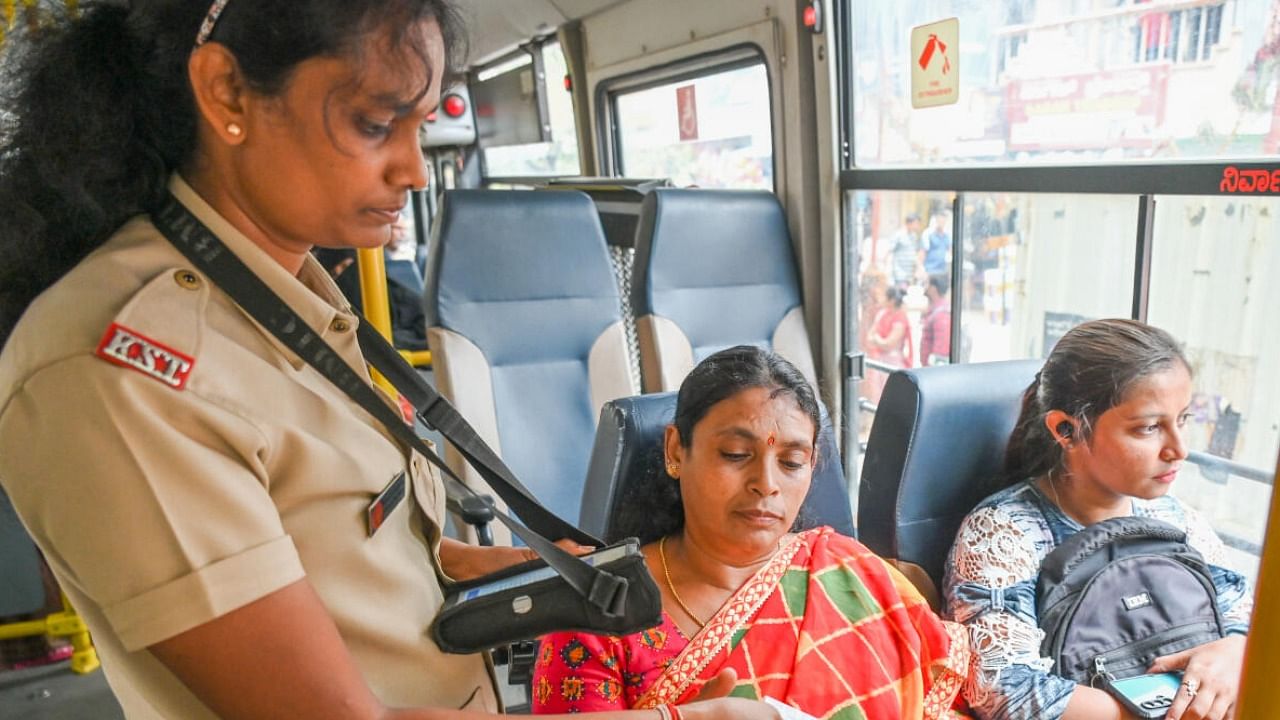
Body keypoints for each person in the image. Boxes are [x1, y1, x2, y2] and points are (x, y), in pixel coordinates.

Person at [0, 3, 780, 719]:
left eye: (421, 122)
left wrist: (491, 568)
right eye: (376, 123)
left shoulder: (285, 297)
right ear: (228, 94)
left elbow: (336, 541)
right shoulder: (122, 376)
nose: (413, 168)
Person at [531, 346, 970, 719]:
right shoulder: (594, 616)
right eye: (736, 453)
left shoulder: (854, 573)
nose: (767, 483)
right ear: (675, 451)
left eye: (792, 462)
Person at [942, 320, 1253, 720]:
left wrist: (1235, 651)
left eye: (1184, 420)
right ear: (1066, 430)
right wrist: (1158, 712)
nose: (1180, 449)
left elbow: (1244, 615)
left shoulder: (1172, 516)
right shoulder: (1005, 532)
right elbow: (1004, 691)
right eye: (1148, 428)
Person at [918, 273, 951, 367]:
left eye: (927, 284)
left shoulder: (941, 314)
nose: (924, 287)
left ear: (933, 288)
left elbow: (941, 352)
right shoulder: (934, 310)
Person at [889, 212, 923, 290]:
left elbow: (914, 254)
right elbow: (889, 251)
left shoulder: (914, 236)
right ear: (909, 223)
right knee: (900, 295)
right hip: (899, 274)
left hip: (909, 274)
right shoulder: (898, 235)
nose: (917, 226)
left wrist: (918, 268)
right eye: (916, 224)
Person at [923, 211, 951, 277]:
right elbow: (923, 252)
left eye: (943, 221)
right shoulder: (928, 234)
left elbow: (950, 250)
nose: (941, 223)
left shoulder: (947, 235)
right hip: (930, 269)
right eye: (939, 221)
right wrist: (922, 269)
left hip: (942, 270)